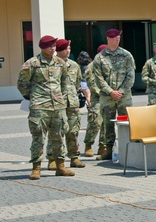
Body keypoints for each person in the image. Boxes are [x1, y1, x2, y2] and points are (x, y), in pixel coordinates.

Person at [17, 35, 73, 180]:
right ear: (42, 47)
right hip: (39, 107)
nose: (53, 48)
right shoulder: (32, 63)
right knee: (38, 137)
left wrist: (61, 99)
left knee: (59, 136)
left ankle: (60, 166)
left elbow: (64, 83)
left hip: (58, 107)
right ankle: (36, 168)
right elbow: (22, 84)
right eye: (50, 46)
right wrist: (33, 97)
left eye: (54, 45)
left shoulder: (60, 63)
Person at [89, 28, 136, 160]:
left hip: (124, 97)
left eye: (119, 37)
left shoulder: (126, 55)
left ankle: (127, 149)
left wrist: (120, 92)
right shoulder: (100, 57)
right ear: (108, 39)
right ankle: (108, 150)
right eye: (115, 37)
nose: (117, 39)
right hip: (107, 96)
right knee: (108, 124)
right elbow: (98, 78)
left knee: (125, 122)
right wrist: (111, 92)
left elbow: (130, 76)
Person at [53, 39, 86, 170]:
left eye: (69, 48)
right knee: (56, 132)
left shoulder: (74, 65)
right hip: (57, 103)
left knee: (73, 131)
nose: (68, 51)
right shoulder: (52, 64)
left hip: (72, 103)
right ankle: (53, 158)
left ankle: (74, 157)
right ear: (59, 50)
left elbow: (78, 83)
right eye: (66, 48)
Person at [81, 46, 103, 157]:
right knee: (94, 122)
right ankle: (88, 145)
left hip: (109, 99)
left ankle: (103, 146)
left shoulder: (110, 66)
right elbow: (91, 83)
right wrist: (104, 91)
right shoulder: (91, 67)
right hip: (97, 98)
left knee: (106, 124)